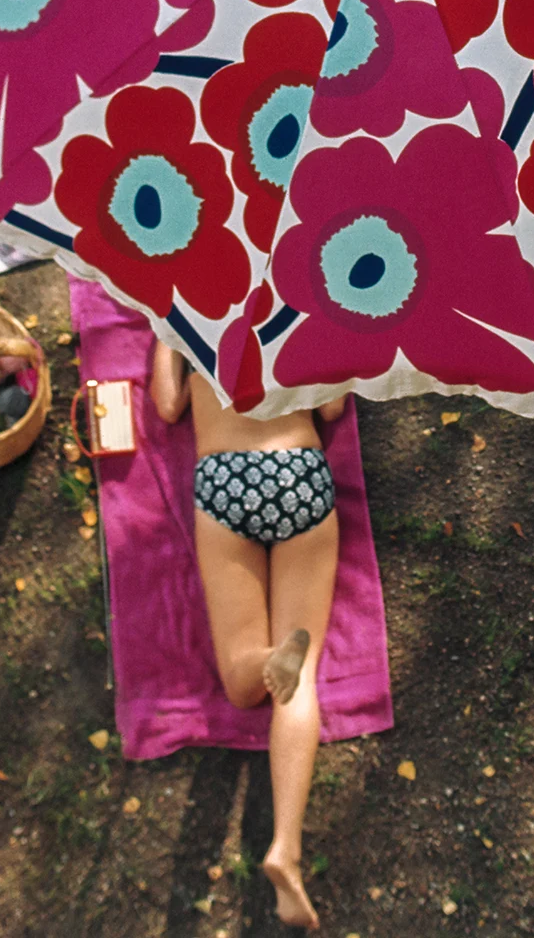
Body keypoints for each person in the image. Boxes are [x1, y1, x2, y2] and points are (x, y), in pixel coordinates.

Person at [151, 341, 346, 930]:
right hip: (298, 468)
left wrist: (162, 337)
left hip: (225, 478)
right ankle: (285, 847)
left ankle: (267, 656)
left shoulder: (184, 319)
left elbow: (166, 406)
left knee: (243, 684)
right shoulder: (301, 317)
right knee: (299, 684)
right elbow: (333, 407)